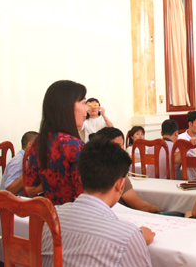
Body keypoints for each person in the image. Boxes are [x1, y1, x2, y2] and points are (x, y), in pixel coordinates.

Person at [41, 137, 154, 267]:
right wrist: (136, 239)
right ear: (120, 185)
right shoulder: (127, 236)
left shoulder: (49, 217)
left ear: (80, 178)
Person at [25, 80, 88, 206]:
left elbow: (29, 189)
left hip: (50, 217)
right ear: (67, 107)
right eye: (83, 103)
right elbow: (83, 196)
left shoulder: (39, 141)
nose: (86, 109)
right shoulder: (75, 145)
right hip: (74, 218)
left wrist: (52, 183)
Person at [93, 127, 160, 213]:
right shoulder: (116, 173)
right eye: (117, 146)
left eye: (122, 145)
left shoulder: (91, 169)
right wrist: (158, 210)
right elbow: (142, 207)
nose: (122, 149)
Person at [0, 131, 38, 196]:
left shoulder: (30, 159)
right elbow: (10, 190)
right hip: (14, 203)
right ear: (30, 145)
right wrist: (27, 171)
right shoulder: (19, 161)